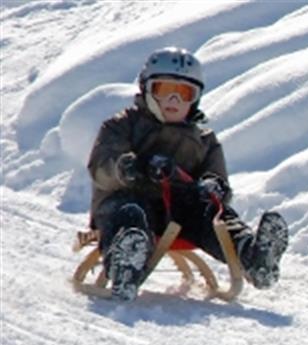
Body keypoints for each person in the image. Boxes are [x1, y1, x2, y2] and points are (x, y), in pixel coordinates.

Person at [86, 47, 287, 301]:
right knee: (131, 214)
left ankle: (254, 257)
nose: (174, 101)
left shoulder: (203, 140)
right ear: (147, 90)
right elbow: (101, 167)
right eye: (164, 90)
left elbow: (217, 176)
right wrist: (132, 167)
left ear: (196, 98)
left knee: (215, 216)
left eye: (183, 93)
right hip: (129, 201)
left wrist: (214, 186)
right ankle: (125, 263)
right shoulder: (122, 126)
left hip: (180, 213)